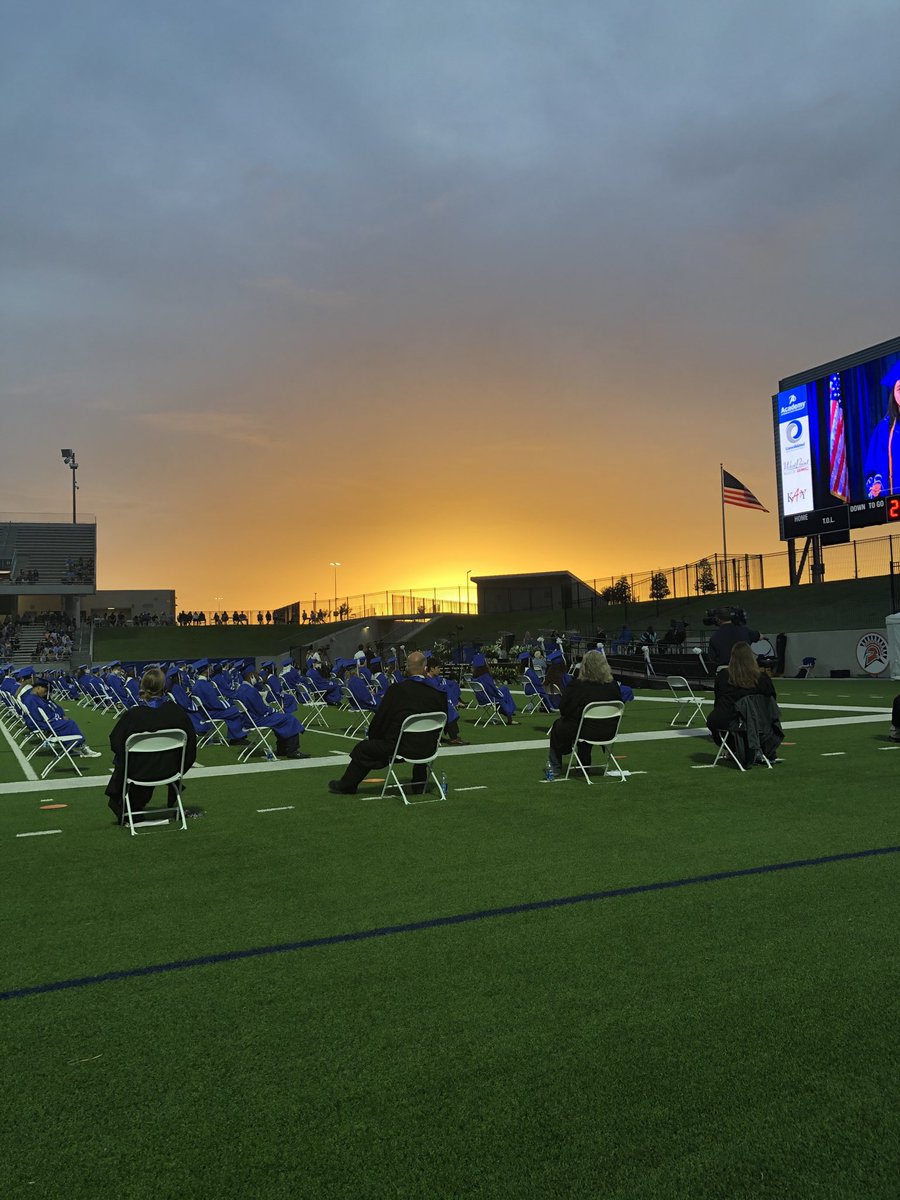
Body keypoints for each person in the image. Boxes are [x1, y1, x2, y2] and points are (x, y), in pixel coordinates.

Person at [328, 650, 448, 794]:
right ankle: (419, 783)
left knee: (363, 748)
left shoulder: (397, 691)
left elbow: (381, 719)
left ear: (407, 668)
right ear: (425, 667)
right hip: (429, 747)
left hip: (399, 747)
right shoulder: (438, 693)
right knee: (420, 735)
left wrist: (375, 736)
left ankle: (346, 786)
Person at [106, 667, 200, 824]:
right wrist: (178, 766)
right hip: (170, 771)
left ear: (142, 687)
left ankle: (130, 807)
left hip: (138, 772)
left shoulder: (133, 715)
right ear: (164, 687)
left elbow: (115, 742)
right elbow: (191, 746)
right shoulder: (176, 712)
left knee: (128, 761)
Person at [548, 650, 625, 774]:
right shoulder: (613, 686)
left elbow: (564, 709)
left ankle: (555, 767)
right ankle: (584, 764)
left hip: (584, 730)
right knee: (583, 724)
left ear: (584, 666)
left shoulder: (577, 686)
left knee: (559, 726)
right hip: (609, 731)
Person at [705, 642, 783, 765]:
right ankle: (752, 748)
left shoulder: (723, 676)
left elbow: (718, 700)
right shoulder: (762, 678)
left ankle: (736, 749)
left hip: (731, 719)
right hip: (758, 723)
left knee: (714, 722)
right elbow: (771, 701)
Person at [234, 665, 307, 758]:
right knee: (289, 718)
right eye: (256, 674)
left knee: (280, 720)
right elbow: (262, 710)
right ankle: (293, 750)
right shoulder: (251, 691)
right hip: (258, 720)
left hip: (248, 720)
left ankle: (282, 749)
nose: (258, 676)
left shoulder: (241, 689)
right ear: (251, 675)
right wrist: (273, 710)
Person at [19, 677, 102, 757]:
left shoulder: (33, 698)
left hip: (40, 722)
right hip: (41, 724)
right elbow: (41, 716)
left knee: (66, 723)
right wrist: (59, 717)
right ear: (38, 688)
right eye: (44, 691)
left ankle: (70, 747)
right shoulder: (32, 699)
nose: (45, 693)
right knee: (70, 724)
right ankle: (84, 748)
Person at [863, 362, 900, 498]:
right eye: (899, 389)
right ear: (894, 395)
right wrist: (876, 485)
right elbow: (873, 466)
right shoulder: (884, 429)